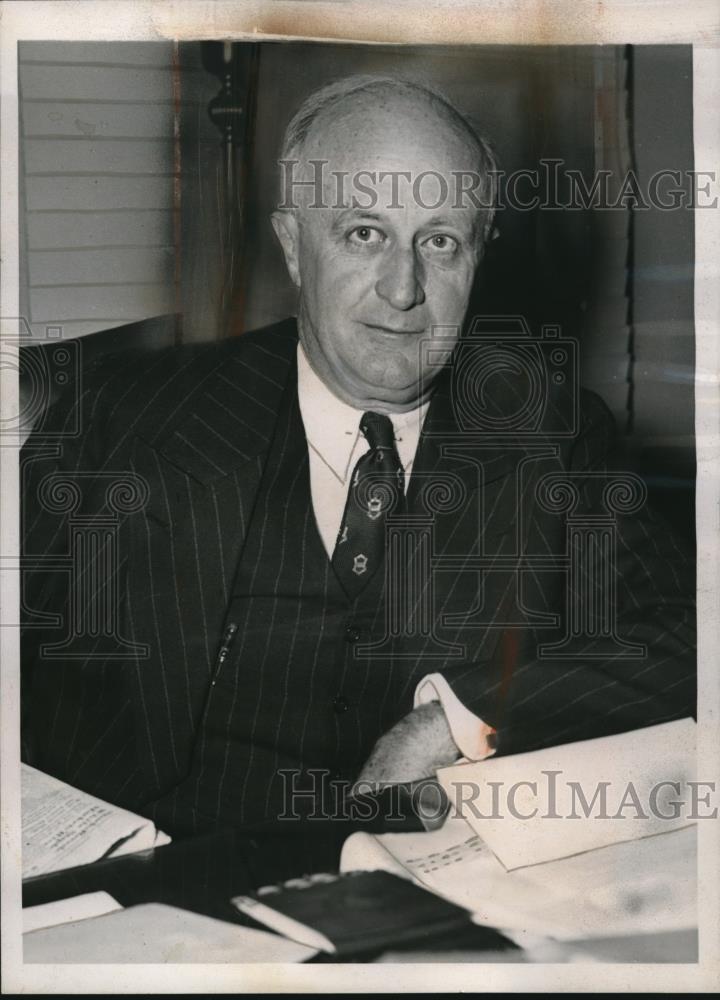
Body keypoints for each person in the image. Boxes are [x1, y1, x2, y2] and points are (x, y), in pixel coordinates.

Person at [20, 75, 695, 836]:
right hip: (156, 886)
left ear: (480, 254)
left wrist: (453, 721)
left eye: (440, 242)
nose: (403, 289)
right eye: (364, 233)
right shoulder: (125, 415)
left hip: (424, 890)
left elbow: (687, 633)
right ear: (294, 246)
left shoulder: (554, 434)